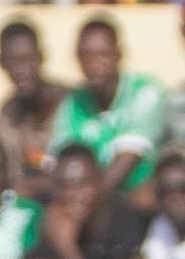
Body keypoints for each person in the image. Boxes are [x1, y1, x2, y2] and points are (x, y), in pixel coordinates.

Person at [48, 19, 166, 198]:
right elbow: (59, 164)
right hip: (87, 201)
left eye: (103, 55)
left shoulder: (144, 92)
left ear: (119, 54)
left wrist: (83, 198)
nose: (94, 64)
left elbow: (122, 167)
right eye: (86, 56)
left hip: (134, 202)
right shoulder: (73, 101)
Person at [0, 20, 66, 192]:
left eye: (28, 60)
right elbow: (11, 179)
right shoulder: (4, 119)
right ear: (1, 63)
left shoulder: (70, 104)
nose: (22, 70)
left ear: (42, 57)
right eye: (14, 62)